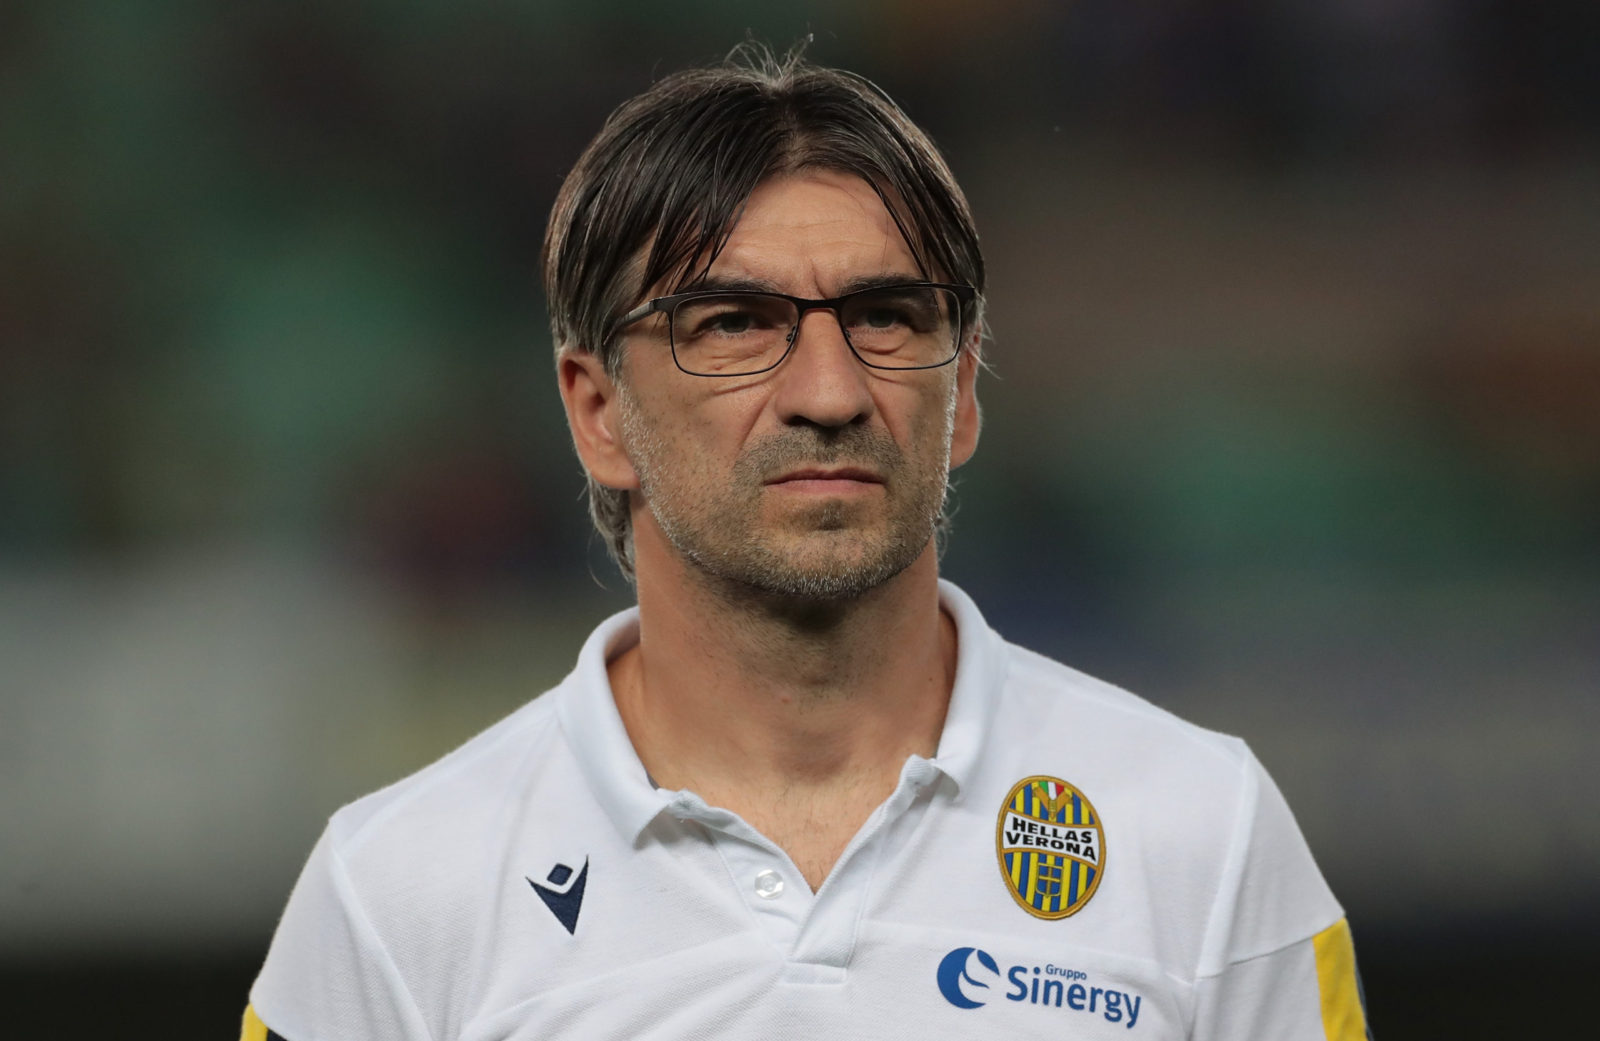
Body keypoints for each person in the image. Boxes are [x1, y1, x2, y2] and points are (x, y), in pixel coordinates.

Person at [241, 45, 1372, 1041]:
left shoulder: (1200, 831)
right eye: (733, 324)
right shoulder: (393, 895)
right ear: (597, 414)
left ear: (964, 388)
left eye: (887, 316)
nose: (828, 391)